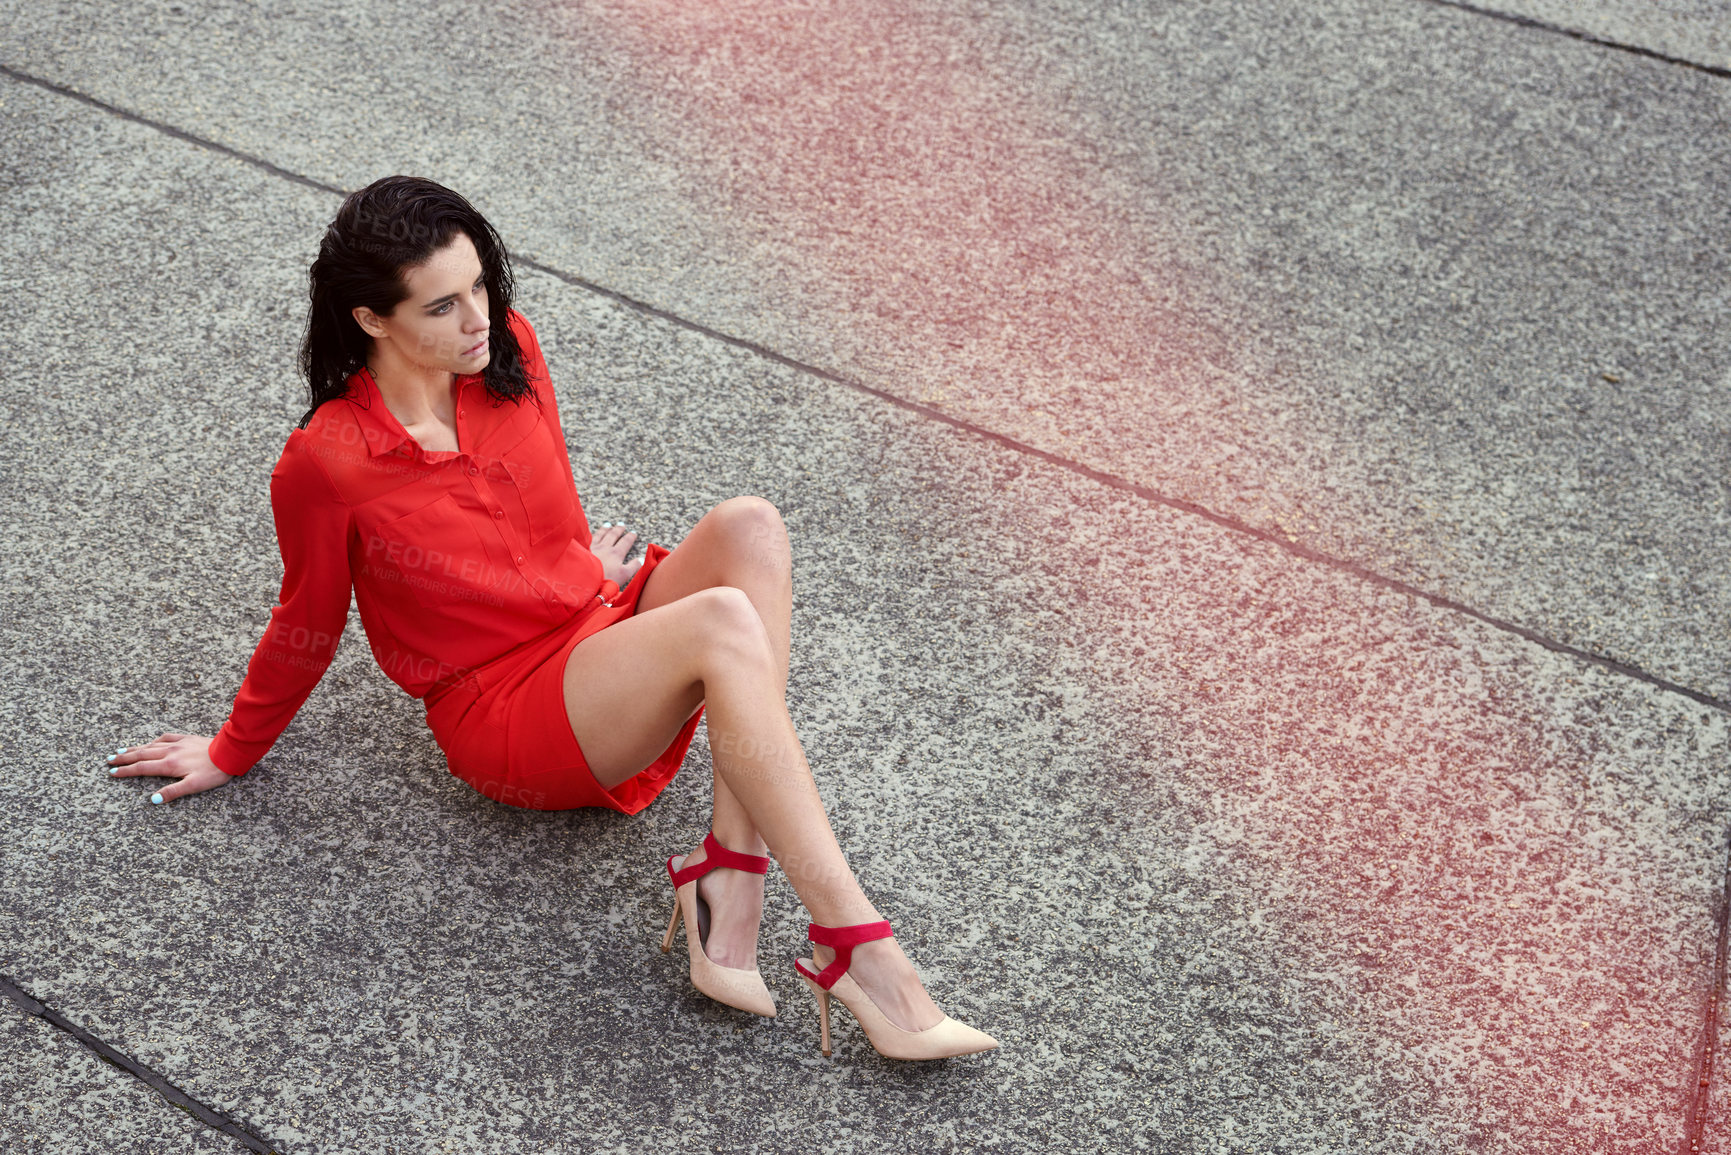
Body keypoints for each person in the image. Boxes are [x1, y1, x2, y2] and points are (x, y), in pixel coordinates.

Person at [105, 176, 995, 1061]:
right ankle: (858, 948)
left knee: (749, 527)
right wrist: (230, 749)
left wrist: (573, 570)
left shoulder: (508, 353)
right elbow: (306, 620)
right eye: (443, 305)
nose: (477, 320)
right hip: (504, 710)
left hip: (591, 624)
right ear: (373, 320)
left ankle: (727, 874)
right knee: (724, 620)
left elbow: (544, 509)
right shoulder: (326, 462)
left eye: (481, 285)